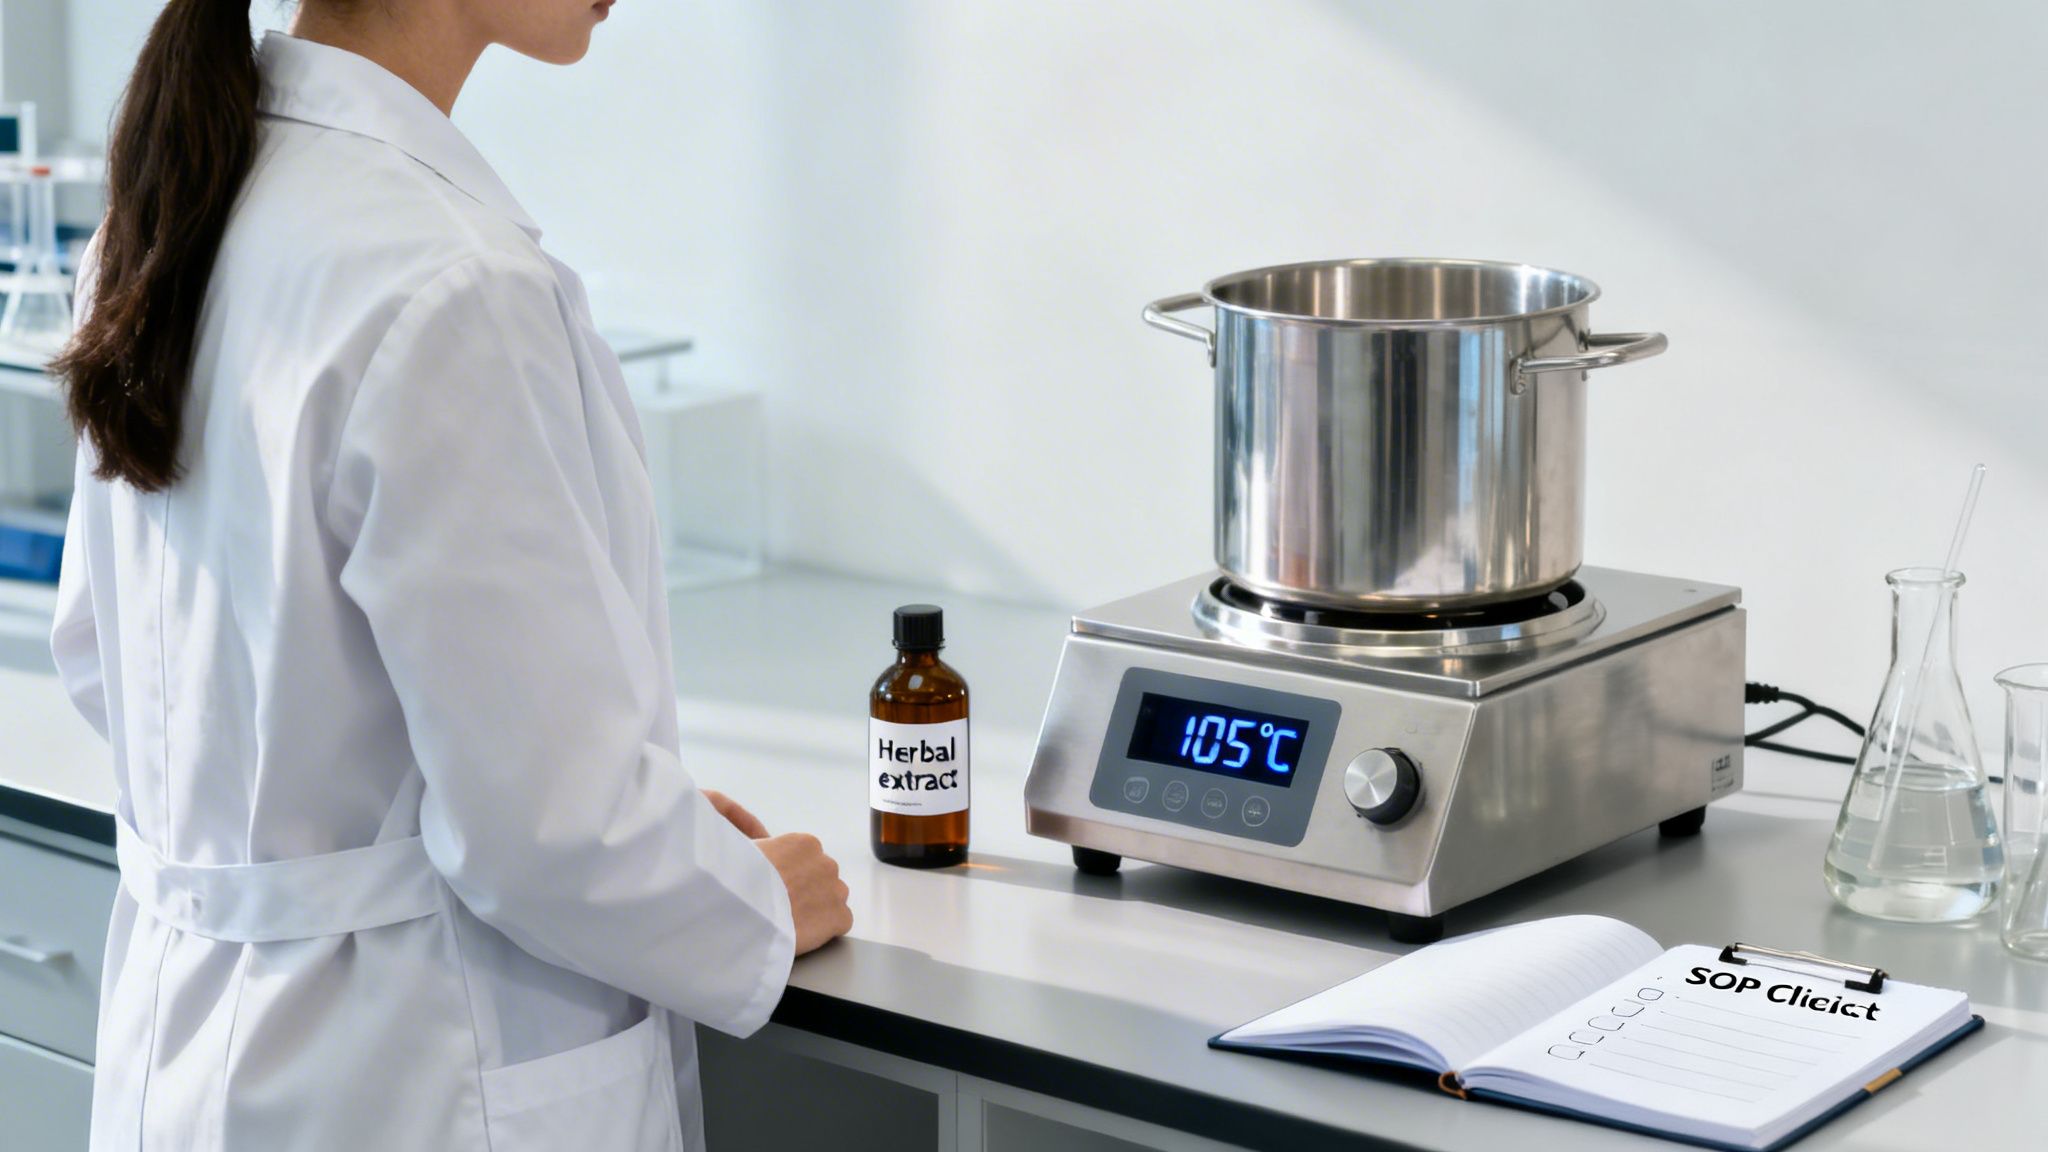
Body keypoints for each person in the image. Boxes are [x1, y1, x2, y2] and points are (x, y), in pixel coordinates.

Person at [47, 1, 854, 1148]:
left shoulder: (177, 202)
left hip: (181, 1055)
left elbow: (99, 657)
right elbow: (548, 834)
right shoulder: (449, 279)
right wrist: (754, 901)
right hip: (404, 1075)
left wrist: (641, 814)